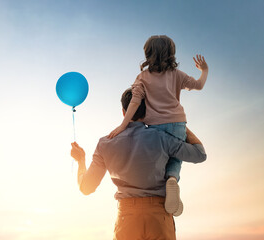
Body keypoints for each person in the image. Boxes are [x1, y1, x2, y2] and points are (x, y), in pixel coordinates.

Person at [70, 88, 207, 240]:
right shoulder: (162, 137)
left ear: (123, 112)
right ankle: (172, 178)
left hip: (127, 217)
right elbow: (200, 154)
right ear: (148, 111)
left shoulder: (105, 143)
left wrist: (81, 160)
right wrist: (179, 124)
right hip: (159, 214)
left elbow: (86, 187)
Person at [108, 35, 209, 215]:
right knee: (176, 157)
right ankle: (172, 179)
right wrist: (204, 71)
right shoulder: (177, 75)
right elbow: (198, 85)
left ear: (147, 53)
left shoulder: (142, 77)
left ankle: (166, 187)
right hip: (178, 123)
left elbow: (135, 102)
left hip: (155, 128)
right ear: (171, 53)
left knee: (161, 159)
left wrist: (123, 125)